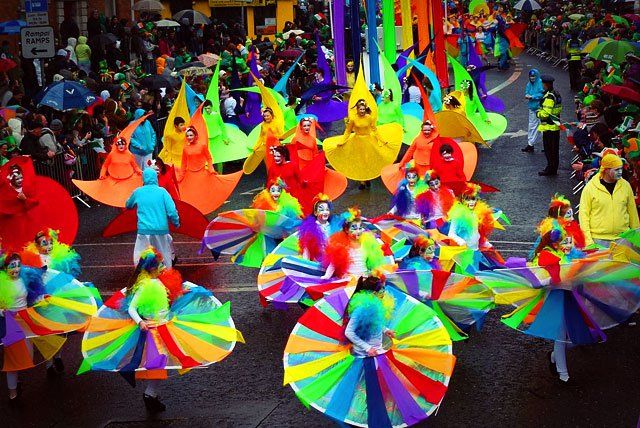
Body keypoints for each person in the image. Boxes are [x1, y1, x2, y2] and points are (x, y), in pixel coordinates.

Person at [578, 153, 639, 248]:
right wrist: (588, 241)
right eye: (616, 169)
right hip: (598, 241)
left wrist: (636, 238)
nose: (620, 172)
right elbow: (583, 216)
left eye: (621, 169)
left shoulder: (626, 186)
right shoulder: (590, 188)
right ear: (606, 170)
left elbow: (633, 213)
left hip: (623, 239)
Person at [125, 168, 179, 268]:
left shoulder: (138, 192)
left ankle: (144, 277)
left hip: (144, 231)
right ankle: (166, 277)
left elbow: (128, 205)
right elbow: (172, 211)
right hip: (161, 230)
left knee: (141, 256)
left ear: (143, 179)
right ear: (156, 178)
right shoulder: (162, 192)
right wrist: (176, 223)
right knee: (164, 255)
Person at [320, 207, 387, 279]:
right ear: (346, 230)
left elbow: (374, 262)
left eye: (360, 228)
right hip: (348, 280)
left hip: (364, 279)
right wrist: (326, 276)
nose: (358, 231)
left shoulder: (367, 243)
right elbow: (333, 264)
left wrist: (377, 273)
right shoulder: (342, 245)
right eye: (354, 228)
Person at [344, 275, 395, 357]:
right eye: (382, 290)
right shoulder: (361, 308)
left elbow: (374, 322)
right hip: (364, 353)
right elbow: (349, 332)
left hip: (377, 350)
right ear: (374, 293)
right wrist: (367, 348)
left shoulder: (376, 303)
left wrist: (385, 330)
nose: (384, 292)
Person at [298, 194, 342, 261]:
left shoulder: (333, 225)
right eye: (322, 210)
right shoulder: (311, 228)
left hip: (333, 258)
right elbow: (306, 248)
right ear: (315, 213)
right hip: (319, 260)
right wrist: (305, 263)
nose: (325, 212)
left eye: (327, 209)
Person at [537, 75, 562, 176]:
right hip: (555, 125)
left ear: (546, 84)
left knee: (549, 150)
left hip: (549, 127)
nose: (542, 85)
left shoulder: (549, 97)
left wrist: (538, 113)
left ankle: (550, 169)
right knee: (554, 150)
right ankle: (552, 168)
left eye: (543, 84)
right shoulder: (556, 93)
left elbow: (546, 113)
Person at [522, 69, 544, 153]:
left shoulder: (540, 83)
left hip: (540, 108)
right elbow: (527, 92)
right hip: (532, 108)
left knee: (543, 127)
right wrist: (527, 95)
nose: (532, 78)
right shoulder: (529, 84)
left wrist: (533, 97)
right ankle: (530, 145)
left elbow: (542, 94)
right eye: (531, 76)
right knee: (532, 126)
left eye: (533, 76)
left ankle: (546, 145)